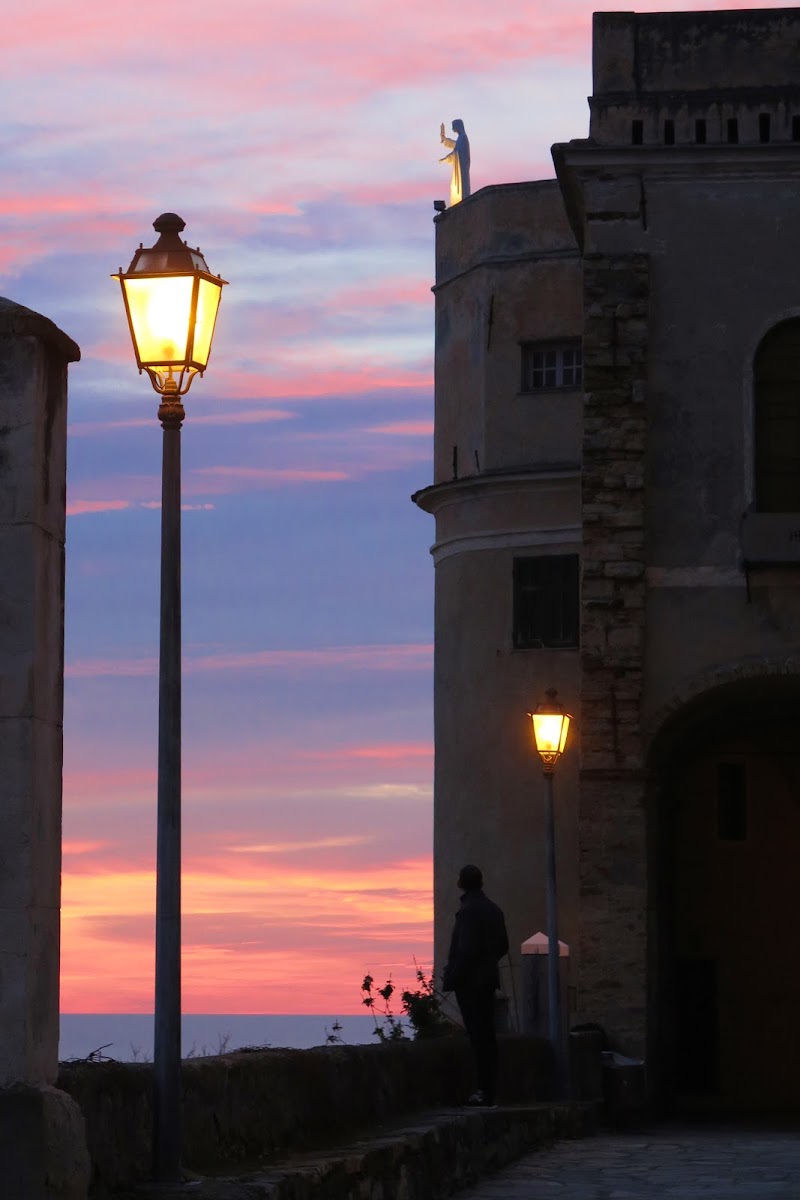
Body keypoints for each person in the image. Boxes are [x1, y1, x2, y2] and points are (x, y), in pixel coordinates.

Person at [442, 863, 509, 1107]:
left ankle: (484, 1091)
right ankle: (490, 1090)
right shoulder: (494, 910)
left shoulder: (469, 911)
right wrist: (488, 962)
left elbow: (466, 950)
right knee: (487, 1036)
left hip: (471, 983)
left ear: (461, 883)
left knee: (478, 1037)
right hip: (487, 980)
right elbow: (503, 945)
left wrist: (453, 976)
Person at [439, 119, 471, 207]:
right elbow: (456, 145)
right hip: (459, 166)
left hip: (461, 168)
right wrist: (445, 140)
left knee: (461, 186)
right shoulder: (461, 137)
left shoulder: (463, 137)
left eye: (453, 126)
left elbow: (457, 152)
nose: (452, 128)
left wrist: (446, 159)